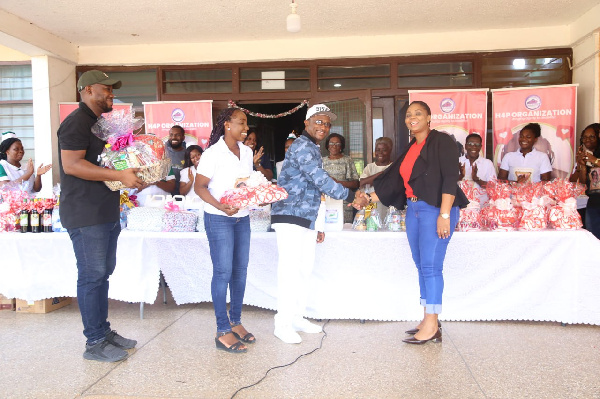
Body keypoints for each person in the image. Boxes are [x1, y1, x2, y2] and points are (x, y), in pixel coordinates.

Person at [58, 70, 144, 362]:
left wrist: (130, 175)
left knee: (103, 273)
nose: (110, 94)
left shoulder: (100, 124)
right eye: (105, 89)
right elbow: (71, 165)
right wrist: (118, 174)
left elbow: (107, 164)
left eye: (112, 90)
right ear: (86, 90)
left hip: (105, 209)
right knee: (92, 276)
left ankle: (103, 331)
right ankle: (93, 342)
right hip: (85, 213)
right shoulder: (75, 122)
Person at [371, 100, 468, 345]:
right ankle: (427, 318)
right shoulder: (413, 146)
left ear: (428, 117)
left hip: (436, 210)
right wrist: (368, 198)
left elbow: (450, 179)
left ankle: (433, 323)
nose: (411, 118)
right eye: (408, 115)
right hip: (414, 210)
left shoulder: (442, 141)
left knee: (431, 267)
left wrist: (444, 215)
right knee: (421, 265)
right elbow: (395, 180)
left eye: (417, 113)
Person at [270, 104, 369, 344]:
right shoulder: (302, 146)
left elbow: (316, 187)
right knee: (290, 271)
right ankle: (282, 323)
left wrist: (319, 222)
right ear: (306, 123)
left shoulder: (312, 147)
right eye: (318, 121)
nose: (323, 126)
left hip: (306, 217)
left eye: (326, 123)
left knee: (303, 270)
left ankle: (296, 317)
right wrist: (351, 196)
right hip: (290, 216)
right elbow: (320, 179)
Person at [194, 108, 255, 353]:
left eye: (246, 124)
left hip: (243, 218)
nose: (246, 128)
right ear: (227, 125)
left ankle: (236, 321)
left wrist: (256, 197)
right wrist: (220, 206)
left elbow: (244, 184)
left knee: (240, 271)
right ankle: (222, 330)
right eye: (241, 123)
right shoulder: (212, 153)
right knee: (223, 273)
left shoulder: (247, 151)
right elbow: (200, 187)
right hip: (219, 219)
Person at [569, 123, 600, 239]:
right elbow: (582, 183)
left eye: (592, 136)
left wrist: (595, 160)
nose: (587, 139)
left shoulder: (594, 157)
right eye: (585, 137)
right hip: (593, 201)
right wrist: (582, 166)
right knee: (593, 237)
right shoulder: (586, 156)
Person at [322, 133, 360, 223]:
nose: (334, 146)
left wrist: (338, 183)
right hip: (326, 200)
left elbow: (355, 183)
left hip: (344, 200)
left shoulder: (347, 160)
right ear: (327, 145)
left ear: (341, 147)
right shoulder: (322, 161)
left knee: (344, 228)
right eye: (331, 143)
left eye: (337, 144)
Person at [359, 137, 393, 217]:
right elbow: (361, 183)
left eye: (384, 150)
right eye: (378, 150)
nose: (380, 153)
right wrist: (380, 174)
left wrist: (371, 180)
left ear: (390, 151)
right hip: (371, 205)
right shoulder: (369, 167)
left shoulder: (394, 167)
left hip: (388, 206)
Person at [459, 133, 496, 204]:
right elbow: (448, 185)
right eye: (470, 144)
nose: (474, 147)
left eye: (477, 144)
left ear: (481, 147)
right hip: (461, 206)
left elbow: (493, 188)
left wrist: (477, 179)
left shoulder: (487, 163)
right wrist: (460, 176)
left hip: (481, 206)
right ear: (466, 146)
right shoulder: (457, 161)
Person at [165, 125, 187, 194]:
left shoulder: (188, 154)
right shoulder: (163, 152)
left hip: (182, 194)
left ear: (183, 138)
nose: (174, 137)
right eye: (171, 135)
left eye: (177, 135)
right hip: (165, 194)